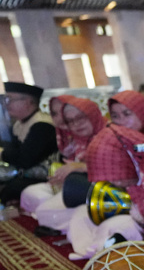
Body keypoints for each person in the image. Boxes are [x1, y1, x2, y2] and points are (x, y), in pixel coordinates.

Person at [66, 90, 144, 259]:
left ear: (143, 111)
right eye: (115, 116)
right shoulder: (126, 138)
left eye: (127, 114)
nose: (122, 121)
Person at [21, 96, 106, 231]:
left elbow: (120, 172)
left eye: (81, 117)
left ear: (93, 114)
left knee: (48, 212)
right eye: (70, 121)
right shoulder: (75, 140)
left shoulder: (109, 137)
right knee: (31, 194)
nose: (76, 124)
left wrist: (83, 168)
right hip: (78, 188)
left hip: (104, 194)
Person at [1, 81, 58, 206]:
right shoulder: (19, 123)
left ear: (27, 102)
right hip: (25, 172)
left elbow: (25, 159)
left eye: (10, 99)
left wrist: (1, 153)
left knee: (10, 189)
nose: (6, 104)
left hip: (44, 176)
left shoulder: (42, 125)